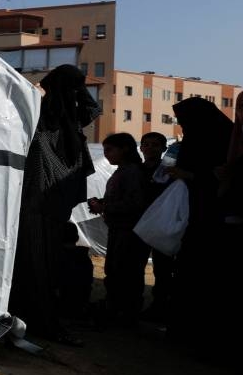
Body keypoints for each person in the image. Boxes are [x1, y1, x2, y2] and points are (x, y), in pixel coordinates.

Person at [10, 64, 101, 345]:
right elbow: (93, 109)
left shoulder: (38, 111)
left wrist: (41, 89)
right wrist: (78, 87)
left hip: (35, 199)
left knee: (32, 262)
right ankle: (42, 320)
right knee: (45, 264)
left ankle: (31, 317)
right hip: (53, 201)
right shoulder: (70, 119)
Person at [165, 97, 233, 345]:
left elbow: (222, 179)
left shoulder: (225, 140)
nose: (183, 127)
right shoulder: (203, 137)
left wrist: (189, 175)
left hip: (213, 221)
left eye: (185, 122)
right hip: (195, 217)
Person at [88, 133, 150, 325]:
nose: (106, 155)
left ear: (124, 149)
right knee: (115, 270)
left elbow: (135, 203)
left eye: (110, 150)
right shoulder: (123, 170)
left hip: (129, 232)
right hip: (119, 229)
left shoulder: (131, 171)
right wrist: (103, 202)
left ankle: (124, 314)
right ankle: (117, 309)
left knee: (125, 273)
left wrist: (104, 207)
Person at [138, 132, 176, 321]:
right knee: (135, 266)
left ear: (163, 148)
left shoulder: (168, 171)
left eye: (155, 145)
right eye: (146, 144)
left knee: (162, 269)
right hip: (138, 225)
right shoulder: (136, 170)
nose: (150, 148)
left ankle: (159, 306)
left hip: (160, 224)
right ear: (141, 147)